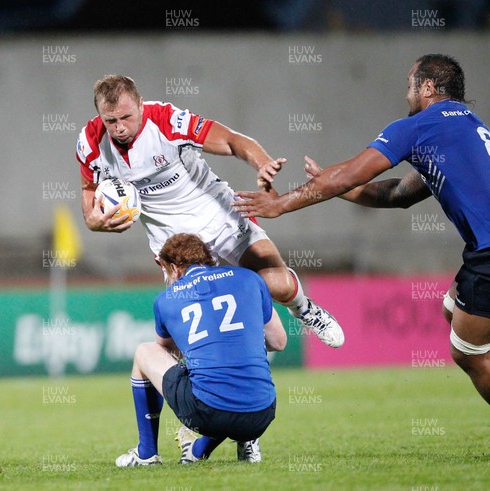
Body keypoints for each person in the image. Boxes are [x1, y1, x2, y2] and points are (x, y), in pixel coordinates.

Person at [232, 54, 490, 405]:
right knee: (451, 309)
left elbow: (353, 172)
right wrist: (338, 186)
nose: (406, 95)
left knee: (469, 355)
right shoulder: (466, 126)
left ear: (427, 87)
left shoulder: (419, 126)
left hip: (487, 254)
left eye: (410, 86)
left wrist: (280, 204)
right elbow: (400, 193)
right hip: (481, 251)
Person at [76, 74, 344, 350]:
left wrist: (262, 163)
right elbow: (88, 190)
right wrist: (92, 219)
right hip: (172, 241)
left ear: (141, 105)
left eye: (126, 117)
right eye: (111, 121)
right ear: (100, 117)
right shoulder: (90, 143)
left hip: (219, 216)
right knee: (187, 339)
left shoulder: (168, 120)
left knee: (278, 284)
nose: (120, 128)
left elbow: (231, 140)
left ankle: (304, 309)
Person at [115, 233, 279, 466]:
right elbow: (279, 341)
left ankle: (147, 454)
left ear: (173, 267)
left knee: (145, 352)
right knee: (234, 365)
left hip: (207, 413)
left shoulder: (167, 298)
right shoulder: (249, 278)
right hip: (263, 413)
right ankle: (216, 446)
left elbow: (167, 355)